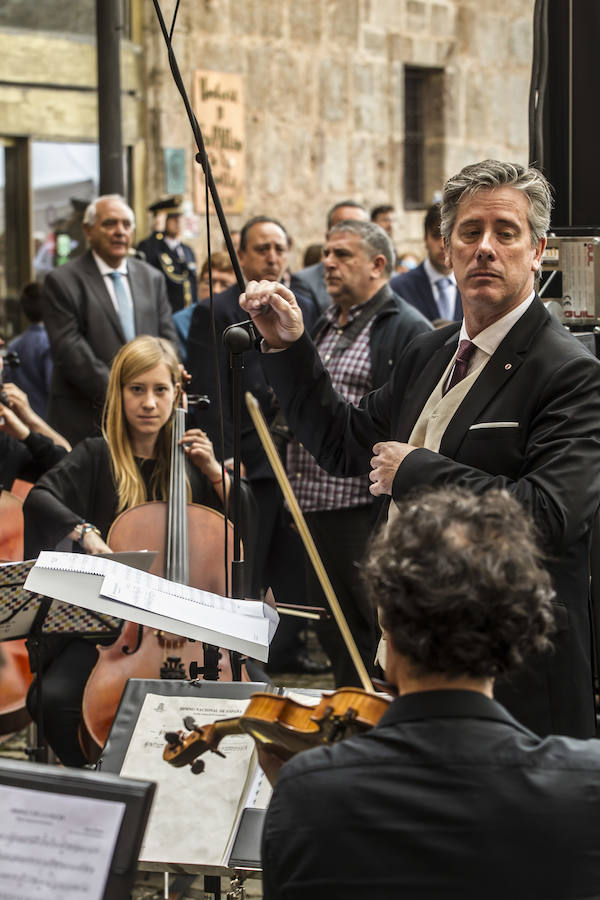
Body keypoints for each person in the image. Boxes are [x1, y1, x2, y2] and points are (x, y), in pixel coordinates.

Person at [240, 159, 600, 739]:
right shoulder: (427, 355)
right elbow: (341, 445)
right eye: (469, 232)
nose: (485, 248)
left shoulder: (571, 373)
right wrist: (289, 349)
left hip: (514, 680)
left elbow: (550, 516)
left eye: (505, 233)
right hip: (410, 663)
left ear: (537, 251)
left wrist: (420, 472)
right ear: (447, 247)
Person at [261, 486, 600, 900]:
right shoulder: (585, 783)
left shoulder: (308, 791)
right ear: (517, 636)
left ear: (387, 624)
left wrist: (302, 800)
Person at [24, 335, 247, 765]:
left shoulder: (191, 461)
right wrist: (87, 533)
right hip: (113, 629)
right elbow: (40, 498)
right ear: (119, 394)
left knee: (253, 690)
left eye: (160, 390)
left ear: (176, 395)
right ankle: (100, 776)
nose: (149, 403)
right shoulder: (96, 456)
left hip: (191, 626)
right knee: (55, 698)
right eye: (137, 390)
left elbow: (245, 526)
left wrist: (216, 474)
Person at [288, 219, 430, 686]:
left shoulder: (406, 328)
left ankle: (376, 715)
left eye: (343, 254)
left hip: (362, 509)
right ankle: (348, 711)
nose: (328, 262)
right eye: (326, 252)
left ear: (378, 265)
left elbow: (407, 419)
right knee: (332, 627)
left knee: (372, 626)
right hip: (313, 503)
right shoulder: (325, 321)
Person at [43, 194, 177, 446]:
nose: (120, 231)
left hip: (146, 423)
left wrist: (160, 386)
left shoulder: (152, 278)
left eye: (126, 225)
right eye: (110, 224)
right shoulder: (62, 281)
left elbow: (168, 340)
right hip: (85, 419)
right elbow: (72, 351)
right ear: (88, 230)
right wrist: (124, 396)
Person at [390, 202, 462, 323]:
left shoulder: (475, 286)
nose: (442, 245)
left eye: (449, 236)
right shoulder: (399, 288)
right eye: (436, 235)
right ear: (425, 238)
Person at [294, 200, 369, 312]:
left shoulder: (382, 279)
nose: (350, 235)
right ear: (328, 235)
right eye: (343, 228)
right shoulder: (306, 282)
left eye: (358, 229)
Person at [137, 195, 198, 313]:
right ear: (163, 220)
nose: (178, 221)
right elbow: (147, 266)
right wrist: (157, 231)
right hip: (166, 313)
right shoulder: (151, 246)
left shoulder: (187, 250)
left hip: (187, 314)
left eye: (179, 217)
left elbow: (192, 283)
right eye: (173, 218)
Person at [172, 251, 236, 361]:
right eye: (209, 283)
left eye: (225, 285)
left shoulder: (239, 320)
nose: (216, 290)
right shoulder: (179, 321)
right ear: (198, 284)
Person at [6, 282, 53, 417]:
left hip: (19, 420)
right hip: (45, 421)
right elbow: (52, 387)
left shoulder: (14, 345)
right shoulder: (49, 343)